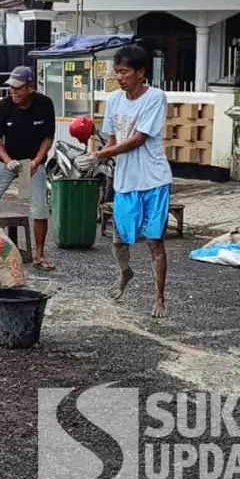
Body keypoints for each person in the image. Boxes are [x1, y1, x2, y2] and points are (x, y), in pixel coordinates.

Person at [95, 44, 172, 319]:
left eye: (125, 71)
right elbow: (113, 139)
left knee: (154, 241)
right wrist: (99, 156)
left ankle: (159, 297)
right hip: (126, 181)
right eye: (117, 72)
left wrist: (102, 154)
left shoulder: (155, 97)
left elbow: (138, 139)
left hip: (153, 180)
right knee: (118, 240)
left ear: (141, 72)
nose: (120, 77)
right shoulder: (114, 100)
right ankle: (125, 272)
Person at [0, 66, 57, 271]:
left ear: (30, 87)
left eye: (18, 88)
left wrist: (37, 161)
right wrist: (8, 160)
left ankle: (39, 255)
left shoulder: (44, 104)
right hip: (8, 162)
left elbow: (48, 137)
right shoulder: (4, 105)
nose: (14, 92)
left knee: (39, 208)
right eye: (11, 88)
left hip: (32, 163)